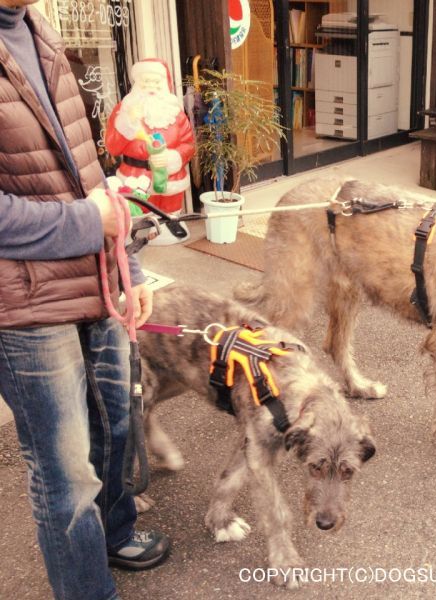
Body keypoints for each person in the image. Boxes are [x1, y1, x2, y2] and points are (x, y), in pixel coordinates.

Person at [0, 2, 169, 599]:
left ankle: (116, 530)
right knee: (65, 469)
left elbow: (90, 169)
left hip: (95, 277)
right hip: (21, 307)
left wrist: (132, 268)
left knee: (115, 425)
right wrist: (85, 222)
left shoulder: (38, 29)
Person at [105, 58, 195, 245]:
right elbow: (112, 146)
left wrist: (173, 158)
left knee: (170, 207)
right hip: (134, 175)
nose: (151, 86)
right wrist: (127, 125)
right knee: (138, 209)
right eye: (145, 81)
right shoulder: (124, 111)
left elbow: (189, 144)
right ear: (137, 83)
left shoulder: (175, 112)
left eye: (156, 82)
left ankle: (170, 223)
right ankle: (138, 229)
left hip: (170, 177)